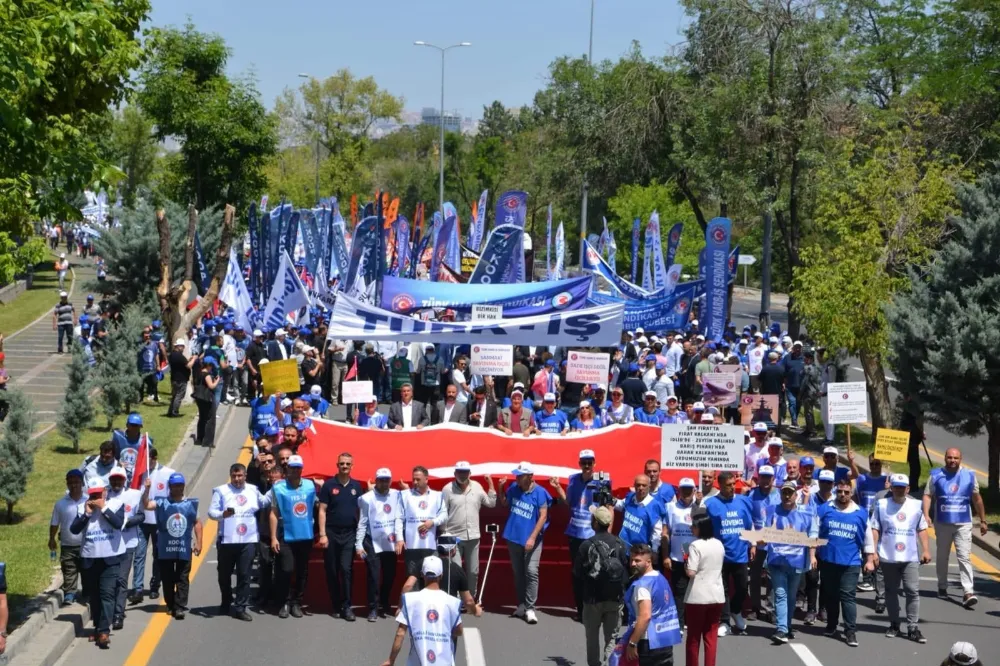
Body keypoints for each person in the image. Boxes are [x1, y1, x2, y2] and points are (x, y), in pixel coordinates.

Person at [923, 447, 987, 609]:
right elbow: (927, 496)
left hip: (963, 523)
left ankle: (968, 591)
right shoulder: (936, 475)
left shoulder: (969, 476)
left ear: (961, 459)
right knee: (942, 555)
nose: (952, 461)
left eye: (956, 458)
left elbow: (977, 499)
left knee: (964, 556)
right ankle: (942, 585)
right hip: (943, 522)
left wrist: (983, 520)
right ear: (945, 458)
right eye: (950, 457)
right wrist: (926, 515)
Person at [816, 477, 875, 647]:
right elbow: (814, 531)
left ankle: (850, 631)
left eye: (846, 492)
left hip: (851, 562)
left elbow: (868, 538)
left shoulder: (861, 513)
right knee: (831, 596)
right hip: (828, 560)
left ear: (851, 493)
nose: (842, 495)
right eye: (839, 491)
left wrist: (869, 559)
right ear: (836, 491)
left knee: (848, 596)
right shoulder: (825, 509)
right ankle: (832, 625)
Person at [872, 473, 930, 644]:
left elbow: (922, 528)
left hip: (910, 557)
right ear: (891, 488)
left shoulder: (916, 505)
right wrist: (873, 552)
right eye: (895, 486)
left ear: (908, 489)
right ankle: (894, 624)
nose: (898, 489)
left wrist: (926, 550)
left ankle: (912, 627)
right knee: (891, 591)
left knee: (912, 591)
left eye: (902, 487)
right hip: (888, 556)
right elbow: (875, 528)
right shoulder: (881, 505)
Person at [209, 463, 269, 622]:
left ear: (245, 475)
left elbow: (264, 502)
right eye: (234, 476)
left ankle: (240, 607)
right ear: (230, 475)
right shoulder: (221, 491)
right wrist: (224, 514)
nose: (237, 479)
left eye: (240, 476)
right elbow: (211, 512)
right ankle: (226, 599)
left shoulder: (253, 490)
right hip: (227, 540)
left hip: (248, 540)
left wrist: (276, 487)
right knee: (224, 574)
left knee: (244, 574)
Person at [70, 477, 125, 649]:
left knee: (107, 594)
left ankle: (103, 631)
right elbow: (74, 529)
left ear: (105, 492)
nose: (95, 499)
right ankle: (97, 627)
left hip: (110, 558)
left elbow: (118, 524)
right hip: (90, 557)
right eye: (92, 495)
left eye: (98, 494)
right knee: (94, 596)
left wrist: (104, 509)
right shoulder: (82, 507)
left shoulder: (116, 504)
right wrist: (86, 514)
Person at [379, 555, 462, 666]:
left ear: (422, 575)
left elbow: (400, 634)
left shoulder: (410, 600)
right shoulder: (453, 602)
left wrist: (391, 660)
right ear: (441, 575)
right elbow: (458, 631)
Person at [763, 481, 818, 644]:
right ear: (780, 495)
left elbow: (813, 535)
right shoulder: (772, 511)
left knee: (791, 596)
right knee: (780, 594)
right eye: (784, 493)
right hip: (777, 561)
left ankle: (787, 626)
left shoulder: (806, 513)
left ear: (796, 495)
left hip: (797, 561)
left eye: (790, 493)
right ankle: (781, 629)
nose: (787, 496)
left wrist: (813, 555)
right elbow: (766, 533)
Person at [574, 506, 628, 666]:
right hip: (615, 597)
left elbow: (577, 572)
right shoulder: (620, 544)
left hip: (592, 598)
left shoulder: (586, 545)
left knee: (592, 636)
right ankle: (609, 663)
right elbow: (625, 569)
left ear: (595, 523)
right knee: (612, 636)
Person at [498, 461, 551, 624]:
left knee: (531, 571)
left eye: (521, 476)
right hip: (514, 537)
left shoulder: (540, 492)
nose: (517, 478)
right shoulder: (514, 488)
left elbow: (543, 516)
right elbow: (505, 502)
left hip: (532, 540)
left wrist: (533, 537)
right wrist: (501, 489)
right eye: (517, 475)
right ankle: (521, 604)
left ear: (530, 477)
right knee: (518, 572)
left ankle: (530, 608)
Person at [142, 472, 201, 620]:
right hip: (165, 548)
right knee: (167, 578)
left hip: (183, 547)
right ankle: (170, 603)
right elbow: (147, 505)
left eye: (180, 485)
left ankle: (180, 607)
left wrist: (199, 542)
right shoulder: (162, 503)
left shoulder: (190, 504)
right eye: (175, 486)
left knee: (182, 578)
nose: (178, 488)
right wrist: (147, 490)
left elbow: (197, 523)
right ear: (170, 487)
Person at [702, 471, 754, 636]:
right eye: (728, 485)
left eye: (733, 484)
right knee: (721, 589)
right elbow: (704, 528)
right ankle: (724, 621)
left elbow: (749, 524)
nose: (732, 488)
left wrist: (752, 544)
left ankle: (736, 611)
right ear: (720, 486)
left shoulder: (744, 501)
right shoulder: (710, 503)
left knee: (741, 587)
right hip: (720, 554)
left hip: (740, 554)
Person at [614, 543, 682, 666]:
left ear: (648, 562)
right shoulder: (661, 578)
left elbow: (645, 616)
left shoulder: (642, 586)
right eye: (631, 560)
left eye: (637, 560)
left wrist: (632, 643)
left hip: (648, 642)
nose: (633, 564)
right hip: (666, 640)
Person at [267, 455, 318, 618]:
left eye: (298, 468)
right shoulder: (278, 487)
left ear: (302, 469)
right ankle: (285, 601)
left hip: (305, 535)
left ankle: (297, 602)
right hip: (285, 535)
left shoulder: (311, 486)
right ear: (287, 469)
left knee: (302, 570)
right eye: (292, 468)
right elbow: (273, 513)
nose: (295, 471)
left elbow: (317, 506)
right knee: (287, 569)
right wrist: (273, 537)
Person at [318, 452, 364, 622]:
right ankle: (335, 604)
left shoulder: (357, 486)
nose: (344, 466)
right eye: (342, 463)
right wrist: (322, 534)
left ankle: (347, 606)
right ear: (337, 465)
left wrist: (360, 535)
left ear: (352, 466)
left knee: (346, 569)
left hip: (349, 534)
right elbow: (322, 510)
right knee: (331, 570)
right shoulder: (329, 485)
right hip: (331, 533)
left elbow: (361, 512)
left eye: (347, 464)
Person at [441, 461, 496, 600]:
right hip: (454, 537)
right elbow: (442, 512)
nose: (463, 475)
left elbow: (491, 503)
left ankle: (470, 598)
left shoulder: (477, 487)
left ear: (470, 473)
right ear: (455, 474)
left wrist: (491, 484)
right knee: (456, 570)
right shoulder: (447, 489)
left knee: (473, 571)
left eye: (465, 472)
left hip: (473, 536)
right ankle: (457, 599)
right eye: (460, 472)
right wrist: (444, 533)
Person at [357, 468, 404, 621]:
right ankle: (373, 607)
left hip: (390, 542)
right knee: (374, 575)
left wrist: (399, 538)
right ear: (376, 481)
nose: (384, 483)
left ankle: (384, 601)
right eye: (381, 480)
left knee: (390, 575)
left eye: (387, 480)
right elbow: (362, 522)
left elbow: (400, 516)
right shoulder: (366, 498)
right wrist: (359, 544)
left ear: (391, 481)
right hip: (372, 542)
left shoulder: (397, 495)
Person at [131, 446, 172, 604]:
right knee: (139, 554)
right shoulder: (139, 474)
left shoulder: (168, 473)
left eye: (147, 459)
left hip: (159, 521)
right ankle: (138, 588)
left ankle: (155, 585)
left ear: (154, 458)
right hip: (142, 520)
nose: (144, 462)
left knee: (158, 555)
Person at [684, 512, 725, 666]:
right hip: (716, 594)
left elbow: (691, 572)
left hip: (697, 597)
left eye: (693, 526)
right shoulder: (718, 544)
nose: (691, 528)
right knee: (711, 637)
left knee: (693, 639)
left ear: (699, 528)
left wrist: (686, 561)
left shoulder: (695, 545)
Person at [107, 466, 144, 630]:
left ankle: (118, 615)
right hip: (107, 545)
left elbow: (142, 515)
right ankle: (107, 612)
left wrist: (128, 522)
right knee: (109, 582)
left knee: (121, 580)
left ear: (124, 480)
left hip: (127, 544)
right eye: (113, 479)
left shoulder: (135, 495)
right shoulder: (104, 495)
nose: (116, 482)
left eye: (119, 479)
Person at [661, 477, 697, 627]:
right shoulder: (670, 507)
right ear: (679, 491)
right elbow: (665, 533)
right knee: (679, 592)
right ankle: (680, 624)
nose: (687, 492)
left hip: (696, 558)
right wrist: (665, 556)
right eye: (684, 489)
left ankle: (692, 622)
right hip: (677, 557)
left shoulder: (700, 508)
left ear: (694, 490)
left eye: (690, 489)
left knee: (695, 593)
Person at [400, 466, 448, 579]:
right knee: (412, 578)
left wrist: (433, 522)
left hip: (430, 545)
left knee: (431, 577)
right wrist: (400, 538)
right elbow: (399, 518)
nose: (415, 482)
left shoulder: (437, 495)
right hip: (412, 546)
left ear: (426, 479)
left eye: (418, 479)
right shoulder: (405, 495)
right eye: (413, 479)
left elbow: (444, 515)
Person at [746, 465, 780, 621]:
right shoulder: (751, 495)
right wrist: (753, 542)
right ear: (758, 478)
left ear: (773, 479)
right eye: (763, 477)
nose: (765, 480)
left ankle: (770, 608)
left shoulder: (779, 495)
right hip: (757, 542)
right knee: (754, 576)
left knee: (773, 577)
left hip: (774, 544)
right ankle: (755, 607)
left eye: (768, 477)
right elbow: (748, 519)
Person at [49, 469, 88, 605]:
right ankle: (70, 594)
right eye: (70, 482)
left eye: (76, 482)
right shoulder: (61, 504)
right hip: (67, 544)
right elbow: (54, 523)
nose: (74, 485)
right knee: (69, 569)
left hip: (86, 544)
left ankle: (87, 592)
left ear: (82, 483)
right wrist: (52, 538)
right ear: (67, 484)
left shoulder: (88, 500)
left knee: (86, 570)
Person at [613, 475, 664, 559]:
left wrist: (654, 550)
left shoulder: (654, 505)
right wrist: (610, 500)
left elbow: (657, 531)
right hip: (622, 547)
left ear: (649, 485)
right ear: (634, 485)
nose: (641, 488)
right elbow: (621, 505)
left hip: (640, 551)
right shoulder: (630, 497)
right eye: (638, 485)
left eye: (644, 485)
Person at [193, 355, 221, 447]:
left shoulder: (198, 372)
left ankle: (199, 439)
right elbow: (211, 386)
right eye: (211, 365)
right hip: (206, 399)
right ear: (208, 365)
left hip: (199, 398)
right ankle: (208, 441)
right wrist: (217, 381)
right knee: (210, 419)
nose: (212, 367)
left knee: (202, 418)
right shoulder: (207, 375)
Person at [168, 339, 195, 417]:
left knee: (175, 395)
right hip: (181, 379)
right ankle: (174, 412)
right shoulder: (179, 356)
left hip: (174, 378)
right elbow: (188, 365)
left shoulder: (172, 355)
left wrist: (189, 360)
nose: (183, 349)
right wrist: (193, 359)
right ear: (179, 346)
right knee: (179, 395)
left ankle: (171, 411)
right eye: (182, 347)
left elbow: (183, 363)